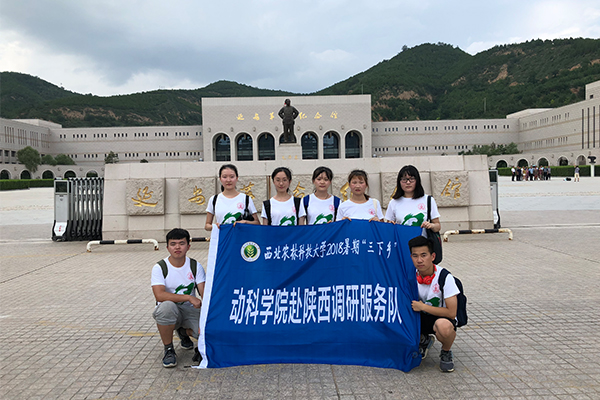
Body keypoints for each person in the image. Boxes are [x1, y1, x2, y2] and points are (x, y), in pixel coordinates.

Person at [151, 228, 206, 368]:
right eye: (173, 244)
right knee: (166, 307)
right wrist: (188, 297)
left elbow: (204, 293)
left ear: (188, 246)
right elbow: (159, 295)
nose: (177, 247)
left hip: (190, 311)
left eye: (181, 243)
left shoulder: (195, 266)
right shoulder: (160, 267)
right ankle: (169, 349)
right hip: (171, 311)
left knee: (208, 332)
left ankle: (183, 332)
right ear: (167, 247)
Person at [409, 235, 459, 373]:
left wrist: (423, 307)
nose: (419, 260)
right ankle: (423, 339)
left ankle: (446, 351)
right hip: (418, 317)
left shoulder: (445, 277)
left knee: (444, 328)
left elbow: (451, 313)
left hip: (440, 318)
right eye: (415, 256)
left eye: (424, 255)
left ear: (433, 256)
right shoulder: (409, 275)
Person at [385, 165, 441, 237]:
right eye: (404, 179)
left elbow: (437, 226)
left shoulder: (428, 200)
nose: (408, 182)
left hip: (423, 242)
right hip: (401, 241)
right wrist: (391, 225)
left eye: (411, 179)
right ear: (399, 182)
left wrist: (431, 225)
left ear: (417, 181)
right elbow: (388, 228)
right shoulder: (393, 202)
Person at [205, 164, 260, 231]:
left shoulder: (246, 199)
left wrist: (245, 222)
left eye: (232, 177)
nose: (228, 180)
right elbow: (207, 225)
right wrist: (214, 226)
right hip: (221, 236)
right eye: (224, 177)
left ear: (236, 178)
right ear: (220, 179)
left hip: (240, 236)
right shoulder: (214, 199)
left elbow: (257, 223)